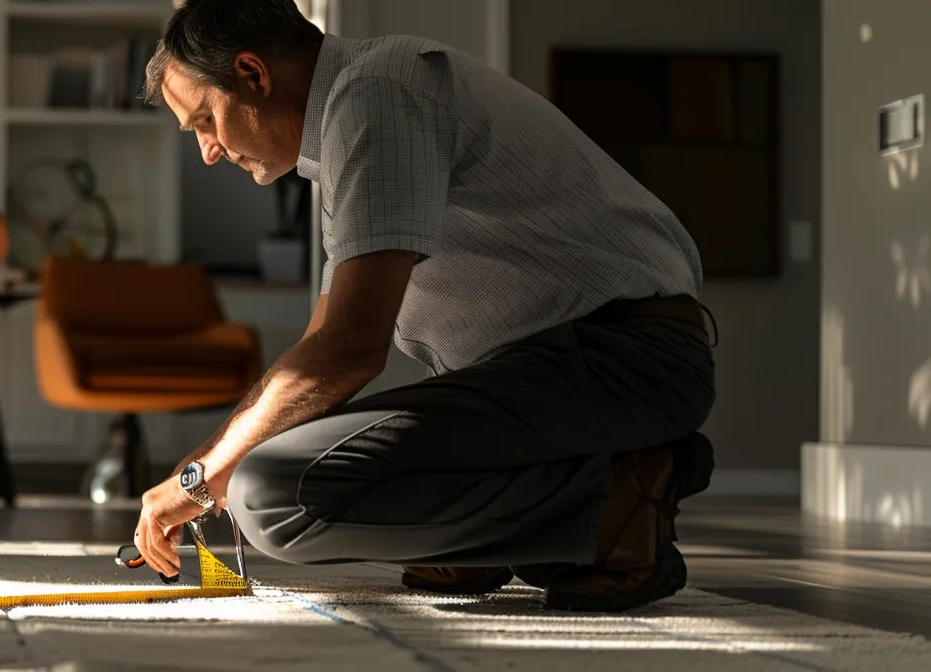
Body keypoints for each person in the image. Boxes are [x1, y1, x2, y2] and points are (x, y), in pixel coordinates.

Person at [131, 0, 717, 613]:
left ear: (252, 74)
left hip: (618, 360)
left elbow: (348, 351)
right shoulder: (348, 127)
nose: (208, 151)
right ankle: (531, 527)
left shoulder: (378, 95)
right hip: (540, 375)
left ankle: (615, 502)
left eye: (204, 120)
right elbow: (319, 347)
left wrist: (201, 483)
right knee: (269, 466)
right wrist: (206, 460)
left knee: (272, 494)